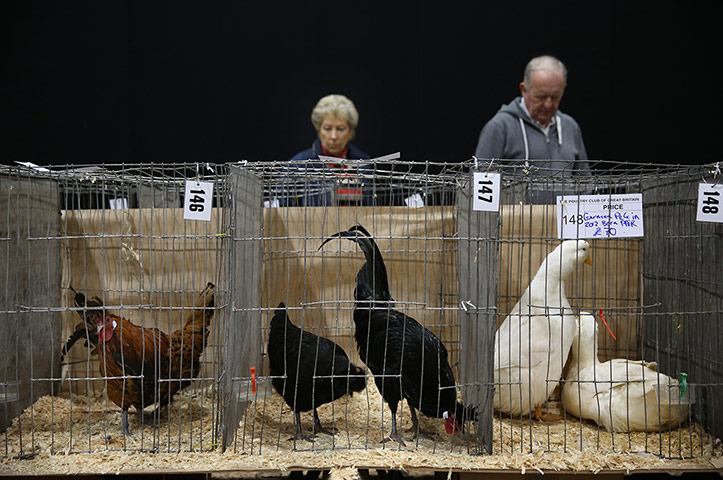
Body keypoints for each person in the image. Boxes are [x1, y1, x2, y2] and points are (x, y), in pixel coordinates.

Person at [474, 55, 590, 177]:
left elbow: (584, 185)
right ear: (524, 90)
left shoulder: (570, 127)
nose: (548, 105)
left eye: (555, 96)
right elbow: (480, 185)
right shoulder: (500, 127)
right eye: (540, 96)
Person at [279, 94, 372, 206]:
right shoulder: (298, 165)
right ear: (319, 129)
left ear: (351, 132)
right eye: (327, 128)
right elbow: (280, 208)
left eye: (340, 129)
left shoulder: (363, 163)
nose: (333, 136)